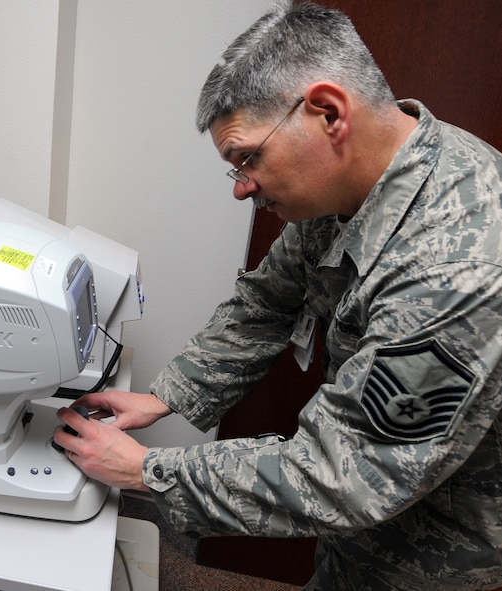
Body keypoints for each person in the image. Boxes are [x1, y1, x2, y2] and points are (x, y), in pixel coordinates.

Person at [54, 2, 502, 589]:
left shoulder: (456, 263)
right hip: (359, 539)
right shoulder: (352, 187)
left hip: (437, 558)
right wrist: (166, 396)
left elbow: (348, 475)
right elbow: (265, 305)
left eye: (247, 158)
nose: (241, 189)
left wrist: (147, 471)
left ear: (326, 113)